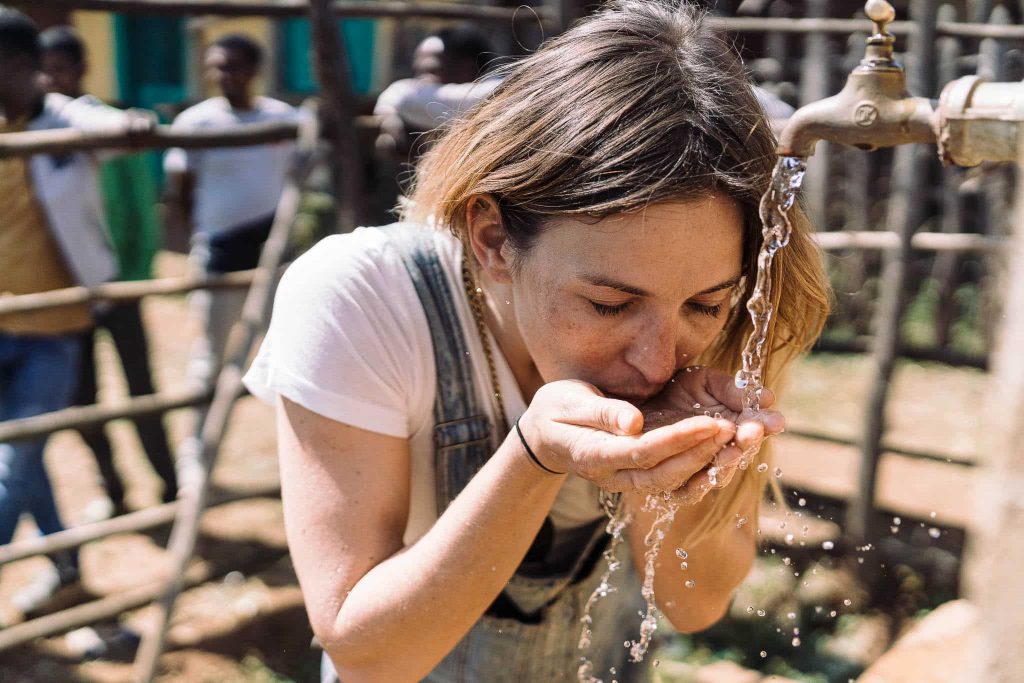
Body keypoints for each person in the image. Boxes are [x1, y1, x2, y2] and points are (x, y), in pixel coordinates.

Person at [244, 1, 830, 681]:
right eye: (609, 302)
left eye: (704, 304)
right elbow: (367, 652)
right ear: (492, 238)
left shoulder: (716, 323)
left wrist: (673, 477)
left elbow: (694, 605)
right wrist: (532, 457)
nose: (658, 358)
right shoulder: (365, 299)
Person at [0, 6, 150, 615]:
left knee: (17, 460)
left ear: (21, 67)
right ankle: (65, 568)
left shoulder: (65, 120)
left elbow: (107, 123)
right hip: (1, 320)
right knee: (22, 461)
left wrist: (132, 123)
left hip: (53, 329)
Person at [40, 25, 178, 519]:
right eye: (46, 70)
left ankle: (170, 484)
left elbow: (142, 211)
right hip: (67, 289)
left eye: (61, 68)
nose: (53, 79)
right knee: (84, 400)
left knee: (141, 389)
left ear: (81, 68)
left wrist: (133, 277)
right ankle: (114, 489)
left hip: (118, 281)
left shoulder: (106, 126)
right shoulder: (39, 131)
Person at [163, 34, 299, 390]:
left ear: (254, 70)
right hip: (220, 246)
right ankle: (198, 440)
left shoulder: (282, 118)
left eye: (233, 66)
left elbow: (296, 174)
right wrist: (190, 235)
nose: (224, 75)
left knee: (290, 347)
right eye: (218, 67)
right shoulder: (196, 123)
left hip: (271, 245)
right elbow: (181, 188)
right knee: (211, 354)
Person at [373, 24, 498, 160]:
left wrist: (389, 109)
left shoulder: (494, 92)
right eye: (418, 72)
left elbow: (403, 96)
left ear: (467, 68)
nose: (421, 81)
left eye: (431, 71)